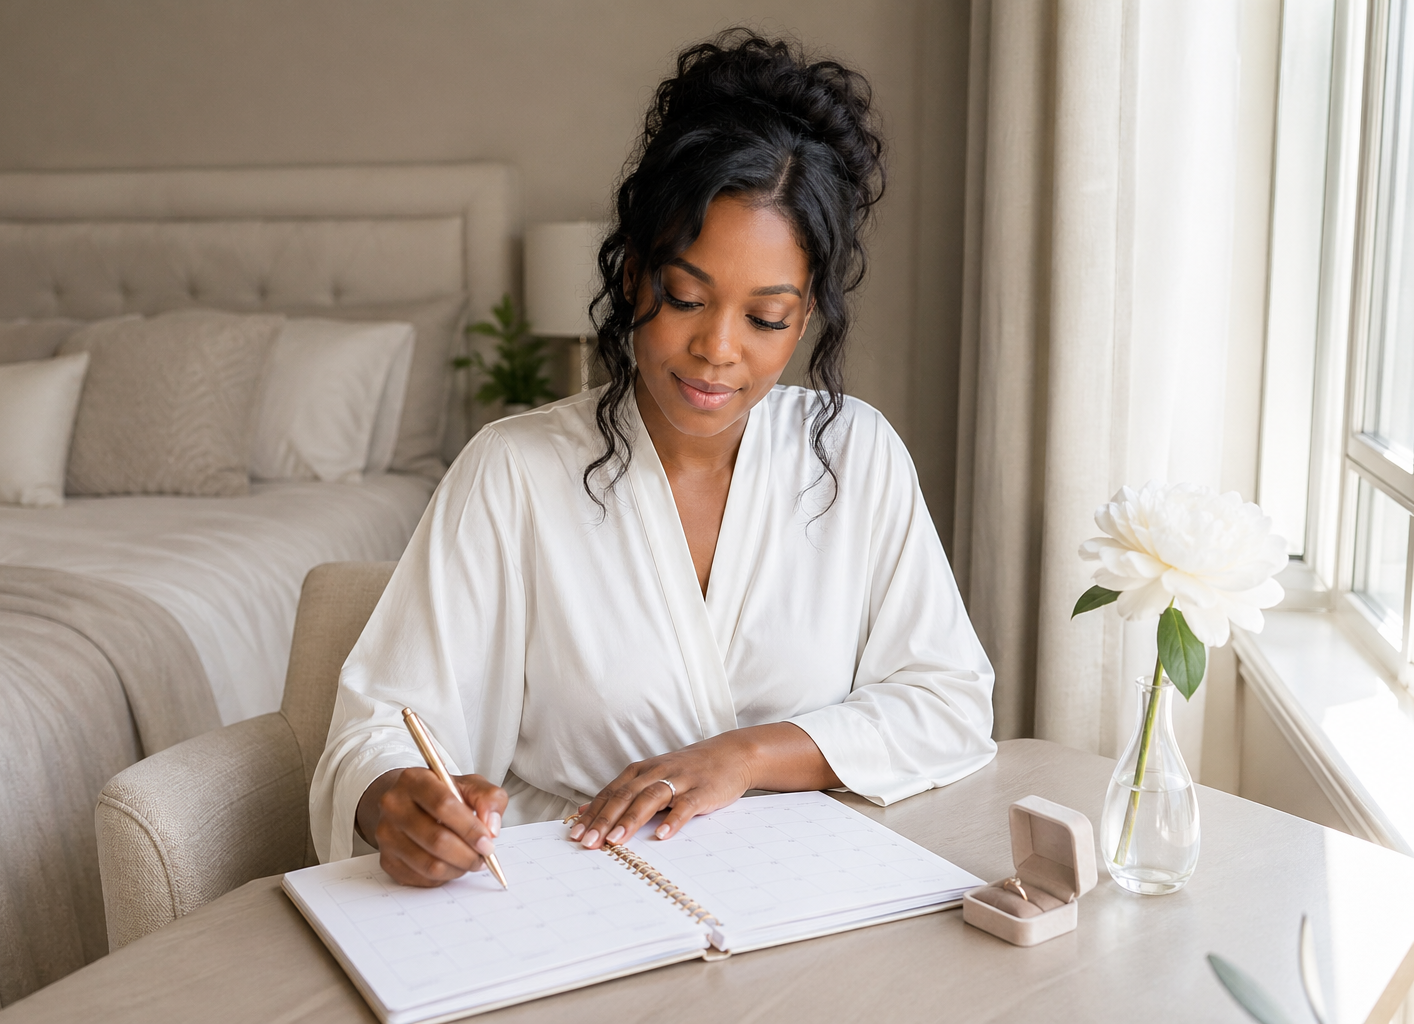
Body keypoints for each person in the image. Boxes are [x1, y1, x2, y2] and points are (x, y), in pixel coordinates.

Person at [309, 29, 995, 887]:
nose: (717, 349)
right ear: (633, 274)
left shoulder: (856, 456)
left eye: (766, 318)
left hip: (799, 900)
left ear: (807, 316)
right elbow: (380, 730)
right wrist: (397, 805)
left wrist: (745, 755)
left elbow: (950, 702)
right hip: (579, 897)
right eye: (685, 297)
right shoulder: (515, 471)